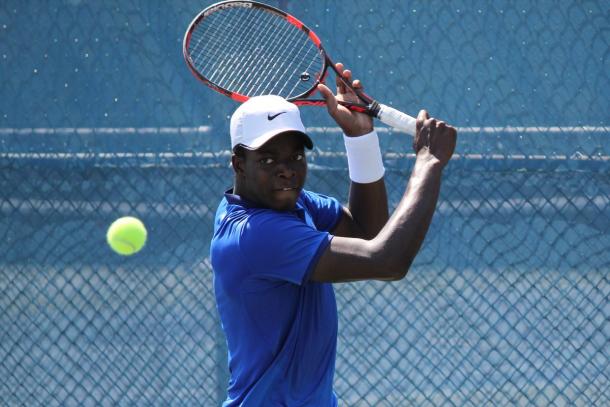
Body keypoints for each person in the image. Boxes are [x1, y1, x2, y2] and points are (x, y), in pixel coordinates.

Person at [210, 63, 457, 406]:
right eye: (268, 160)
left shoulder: (291, 205)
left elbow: (367, 231)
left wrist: (361, 138)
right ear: (239, 163)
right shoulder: (254, 235)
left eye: (296, 157)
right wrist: (428, 163)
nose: (287, 171)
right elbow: (387, 261)